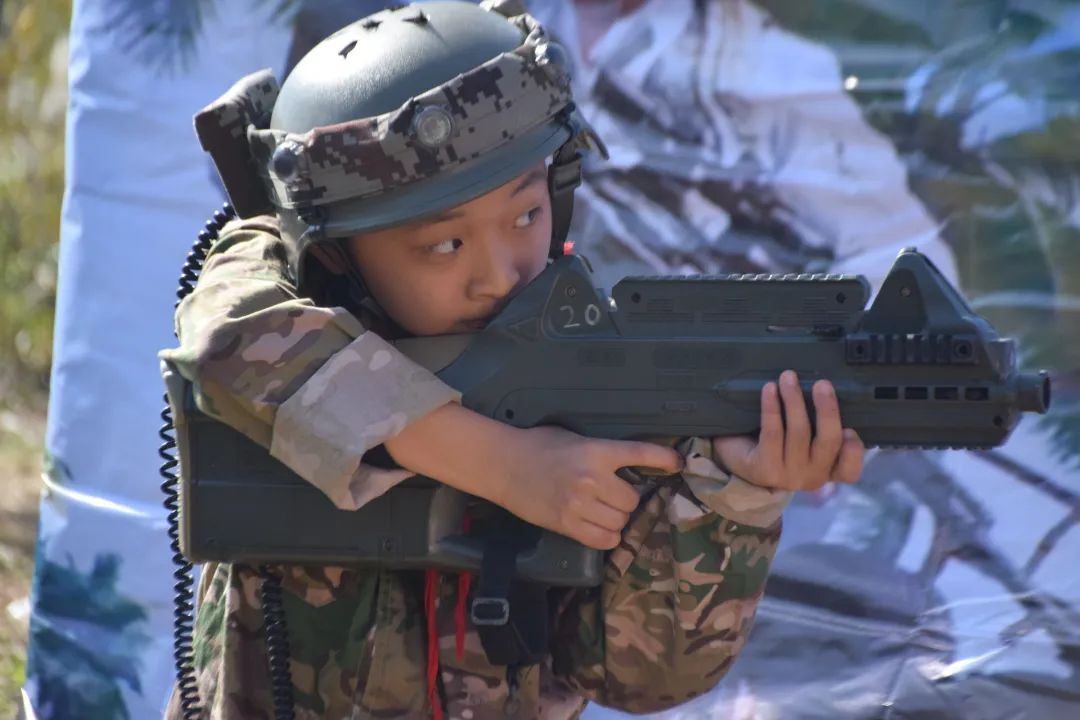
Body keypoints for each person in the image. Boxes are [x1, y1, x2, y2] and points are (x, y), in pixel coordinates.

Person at [160, 2, 864, 718]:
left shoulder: (588, 376)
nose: (498, 274)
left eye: (526, 217)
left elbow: (639, 675)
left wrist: (736, 501)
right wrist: (505, 465)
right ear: (335, 252)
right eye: (444, 245)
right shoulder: (280, 276)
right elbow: (225, 337)